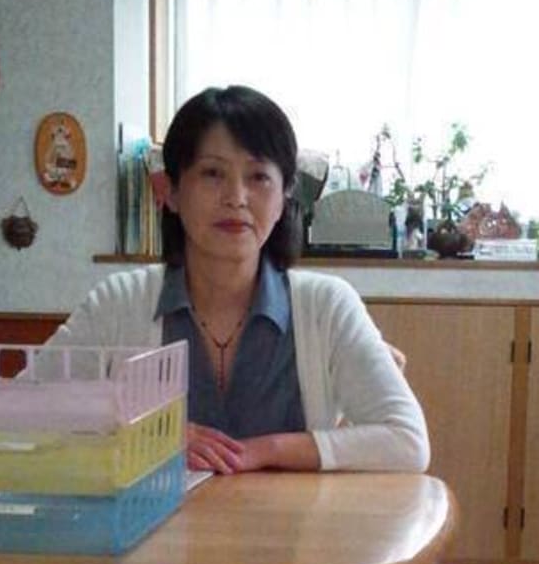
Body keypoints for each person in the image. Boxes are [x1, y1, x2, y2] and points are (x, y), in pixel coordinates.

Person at [43, 85, 429, 474]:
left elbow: (407, 441)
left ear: (284, 197)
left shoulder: (326, 305)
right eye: (212, 173)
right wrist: (150, 432)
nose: (236, 197)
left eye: (258, 176)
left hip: (293, 516)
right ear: (171, 191)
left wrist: (266, 450)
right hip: (154, 516)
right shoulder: (119, 302)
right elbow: (24, 410)